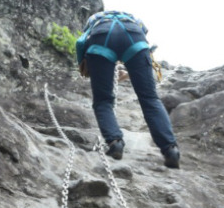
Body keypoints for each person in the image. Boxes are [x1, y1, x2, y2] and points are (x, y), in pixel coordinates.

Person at [76, 10, 180, 169]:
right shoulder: (131, 17)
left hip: (101, 38)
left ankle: (115, 143)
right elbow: (142, 36)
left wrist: (87, 65)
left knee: (103, 101)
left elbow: (83, 41)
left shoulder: (95, 19)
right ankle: (171, 150)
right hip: (134, 36)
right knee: (150, 99)